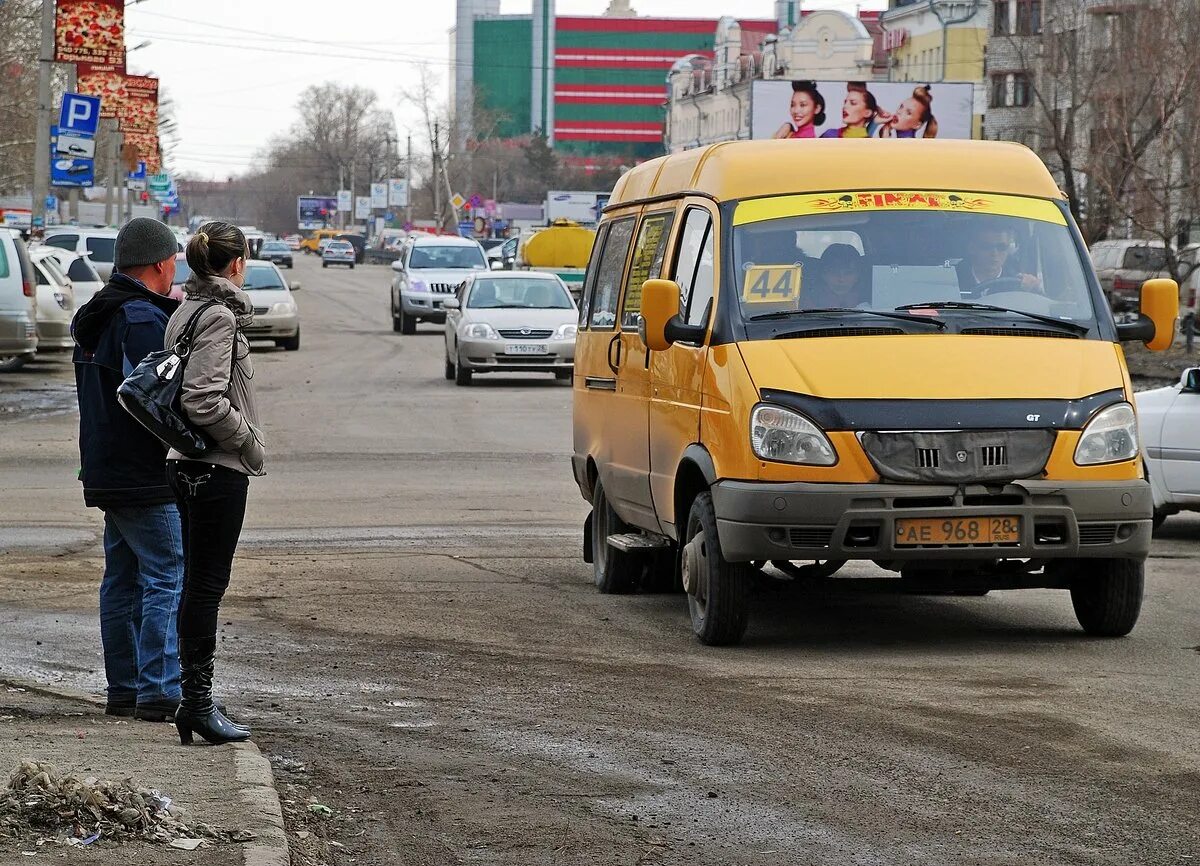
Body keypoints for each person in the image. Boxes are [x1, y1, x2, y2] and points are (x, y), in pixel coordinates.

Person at [71, 217, 183, 723]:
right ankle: (159, 689)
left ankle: (126, 687)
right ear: (161, 263)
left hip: (104, 466)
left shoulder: (100, 313)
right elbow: (156, 398)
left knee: (122, 579)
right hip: (141, 471)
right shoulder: (140, 318)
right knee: (165, 574)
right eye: (173, 259)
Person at [165, 221, 265, 746]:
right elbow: (201, 398)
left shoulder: (186, 308)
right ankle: (197, 705)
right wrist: (246, 439)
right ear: (236, 265)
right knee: (206, 585)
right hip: (214, 467)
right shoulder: (220, 316)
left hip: (183, 462)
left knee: (196, 583)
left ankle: (195, 699)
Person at [956, 223, 1042, 296]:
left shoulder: (1019, 284)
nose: (994, 253)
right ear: (972, 248)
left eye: (1001, 247)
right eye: (987, 247)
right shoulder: (952, 278)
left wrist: (1035, 289)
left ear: (1008, 249)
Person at [803, 244, 870, 309]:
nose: (841, 279)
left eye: (848, 273)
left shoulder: (872, 299)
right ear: (823, 274)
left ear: (858, 276)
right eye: (834, 273)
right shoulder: (806, 303)